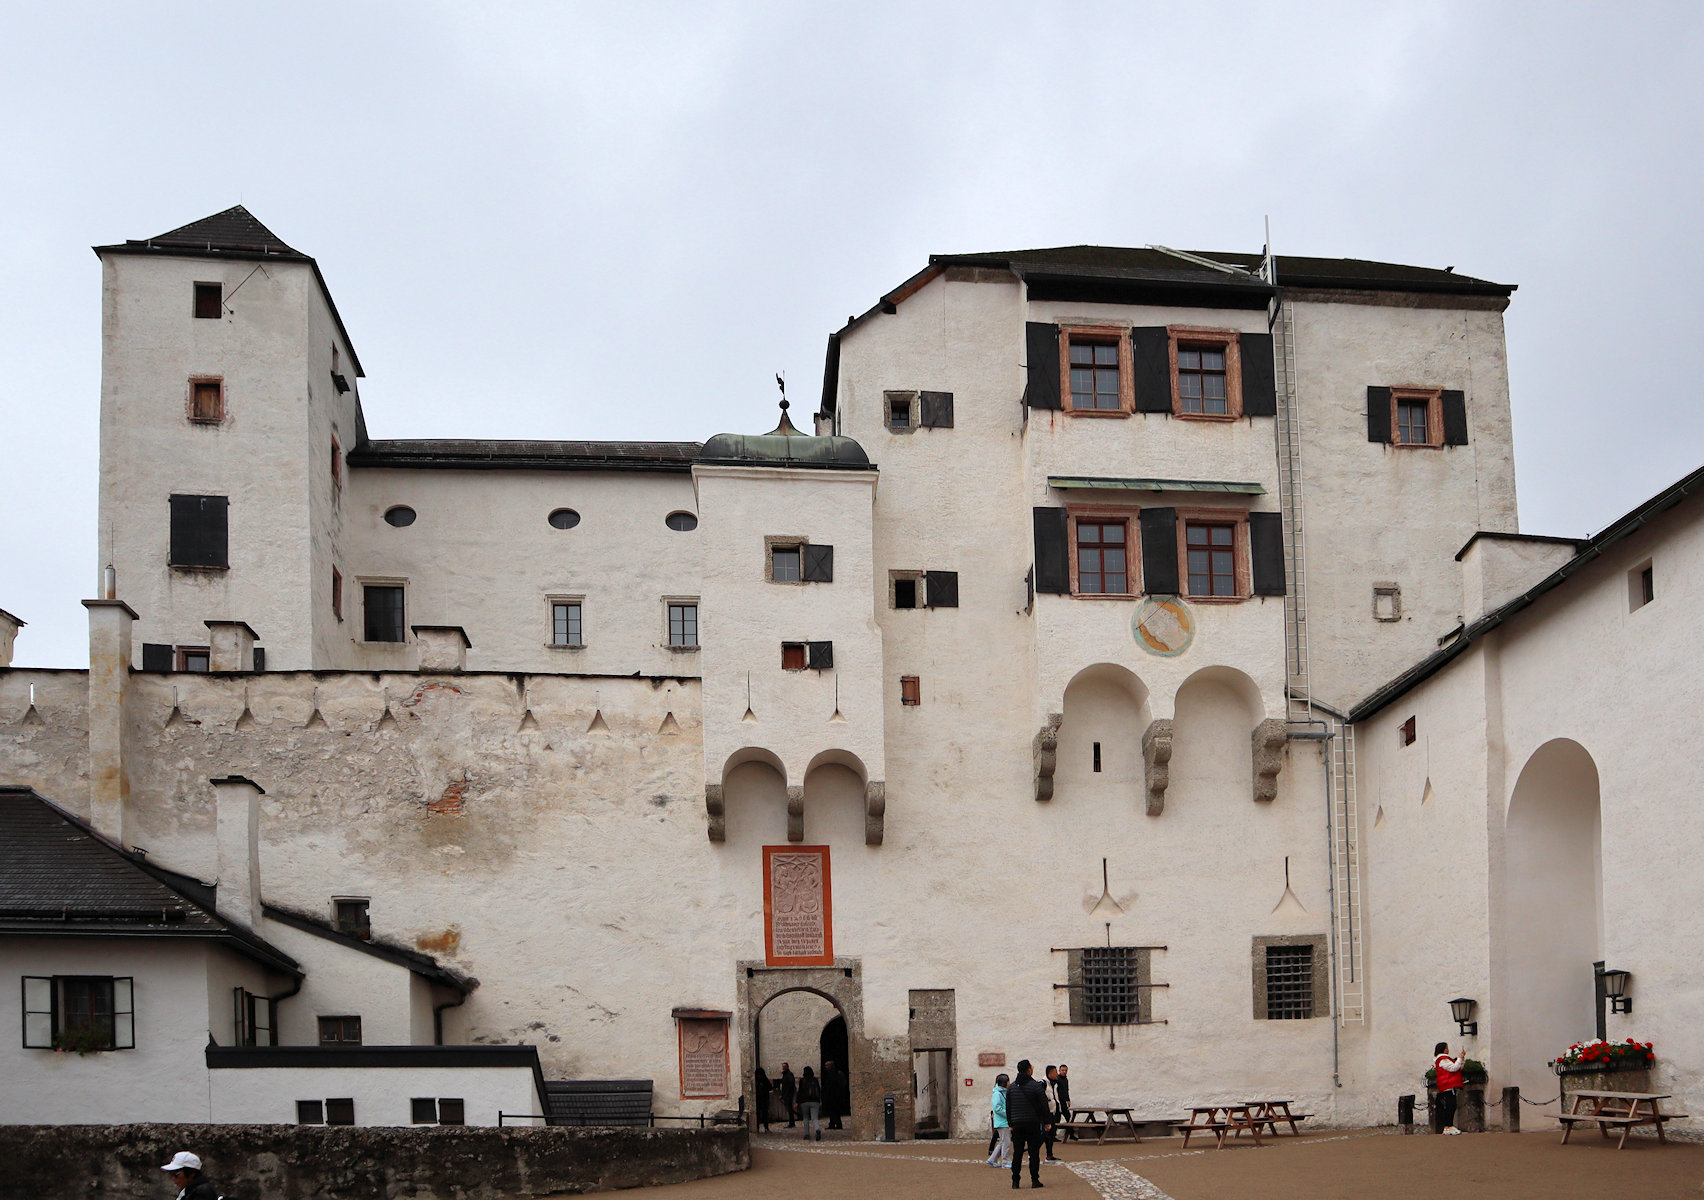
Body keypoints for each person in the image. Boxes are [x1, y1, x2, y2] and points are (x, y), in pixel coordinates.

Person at [1004, 1059, 1052, 1189]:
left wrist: (1010, 1123)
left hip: (1017, 1124)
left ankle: (1015, 1181)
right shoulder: (1035, 1086)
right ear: (1029, 1070)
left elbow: (1008, 1107)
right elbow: (1044, 1105)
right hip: (1032, 1123)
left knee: (1018, 1153)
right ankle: (1034, 1180)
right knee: (1033, 1152)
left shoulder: (1012, 1087)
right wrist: (1047, 1121)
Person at [1433, 1042, 1467, 1135]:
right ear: (1443, 1049)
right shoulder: (1442, 1059)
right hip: (1447, 1085)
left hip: (1449, 1085)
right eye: (1446, 1048)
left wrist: (1461, 1059)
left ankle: (1449, 1126)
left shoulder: (1446, 1059)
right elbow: (1454, 1068)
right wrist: (1459, 1058)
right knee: (1450, 1106)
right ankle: (1448, 1126)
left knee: (1451, 1106)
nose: (1448, 1049)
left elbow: (1459, 1067)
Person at [986, 1073, 1012, 1168]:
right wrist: (1008, 1114)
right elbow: (997, 1108)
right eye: (1008, 1081)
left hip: (1004, 1121)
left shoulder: (1003, 1092)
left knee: (1002, 1141)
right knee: (1006, 1142)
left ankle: (993, 1159)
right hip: (1002, 1121)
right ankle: (1005, 1161)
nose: (1009, 1083)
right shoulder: (997, 1094)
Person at [797, 1065, 823, 1140]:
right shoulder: (815, 1080)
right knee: (814, 1118)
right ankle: (817, 1129)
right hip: (814, 1101)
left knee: (805, 1118)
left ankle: (807, 1134)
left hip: (804, 1101)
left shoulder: (802, 1080)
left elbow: (800, 1091)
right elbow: (818, 1089)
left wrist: (797, 1101)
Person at [822, 1059, 848, 1131]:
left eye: (827, 1065)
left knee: (835, 1111)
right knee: (832, 1111)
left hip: (835, 1096)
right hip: (833, 1096)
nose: (826, 1067)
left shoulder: (835, 1074)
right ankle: (832, 1124)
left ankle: (837, 1124)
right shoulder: (831, 1074)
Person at [1043, 1066, 1062, 1161]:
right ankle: (1031, 1152)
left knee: (1051, 1135)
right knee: (1044, 1135)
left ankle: (1049, 1155)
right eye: (1055, 1072)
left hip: (1054, 1112)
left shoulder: (1054, 1083)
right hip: (1046, 1113)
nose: (1057, 1074)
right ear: (1050, 1073)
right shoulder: (1043, 1083)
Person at [1054, 1064, 1074, 1141]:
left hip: (1064, 1102)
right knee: (1057, 1119)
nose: (1064, 1072)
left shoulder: (1065, 1080)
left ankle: (1071, 1134)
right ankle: (1053, 1135)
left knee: (1069, 1118)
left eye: (1066, 1070)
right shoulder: (1057, 1080)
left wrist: (1068, 1100)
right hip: (1058, 1102)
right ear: (1059, 1071)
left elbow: (1066, 1091)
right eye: (1062, 1070)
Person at [754, 1066, 773, 1132]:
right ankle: (758, 1127)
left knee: (763, 1114)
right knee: (759, 1114)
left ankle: (765, 1127)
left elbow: (770, 1087)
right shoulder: (759, 1080)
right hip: (760, 1099)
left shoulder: (763, 1079)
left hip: (763, 1099)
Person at [780, 1062, 797, 1128]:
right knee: (789, 1108)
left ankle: (792, 1123)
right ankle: (792, 1122)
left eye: (784, 1066)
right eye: (783, 1066)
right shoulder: (786, 1074)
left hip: (788, 1094)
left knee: (789, 1108)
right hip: (787, 1094)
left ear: (787, 1067)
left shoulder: (788, 1074)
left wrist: (785, 1094)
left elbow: (789, 1085)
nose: (783, 1067)